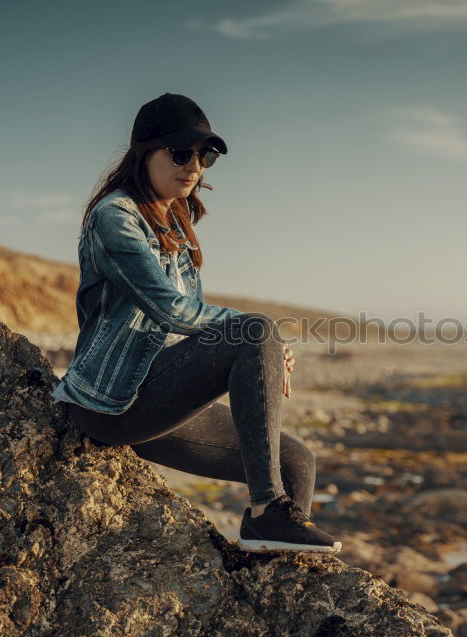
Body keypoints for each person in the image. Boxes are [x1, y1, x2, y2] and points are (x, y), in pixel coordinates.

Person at [51, 92, 341, 554]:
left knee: (297, 462)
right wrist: (255, 332)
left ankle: (275, 574)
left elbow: (194, 328)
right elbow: (171, 310)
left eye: (204, 156)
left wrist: (257, 343)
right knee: (255, 328)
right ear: (144, 154)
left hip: (157, 396)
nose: (195, 166)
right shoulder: (115, 217)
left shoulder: (177, 221)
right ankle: (266, 510)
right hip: (108, 403)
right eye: (181, 153)